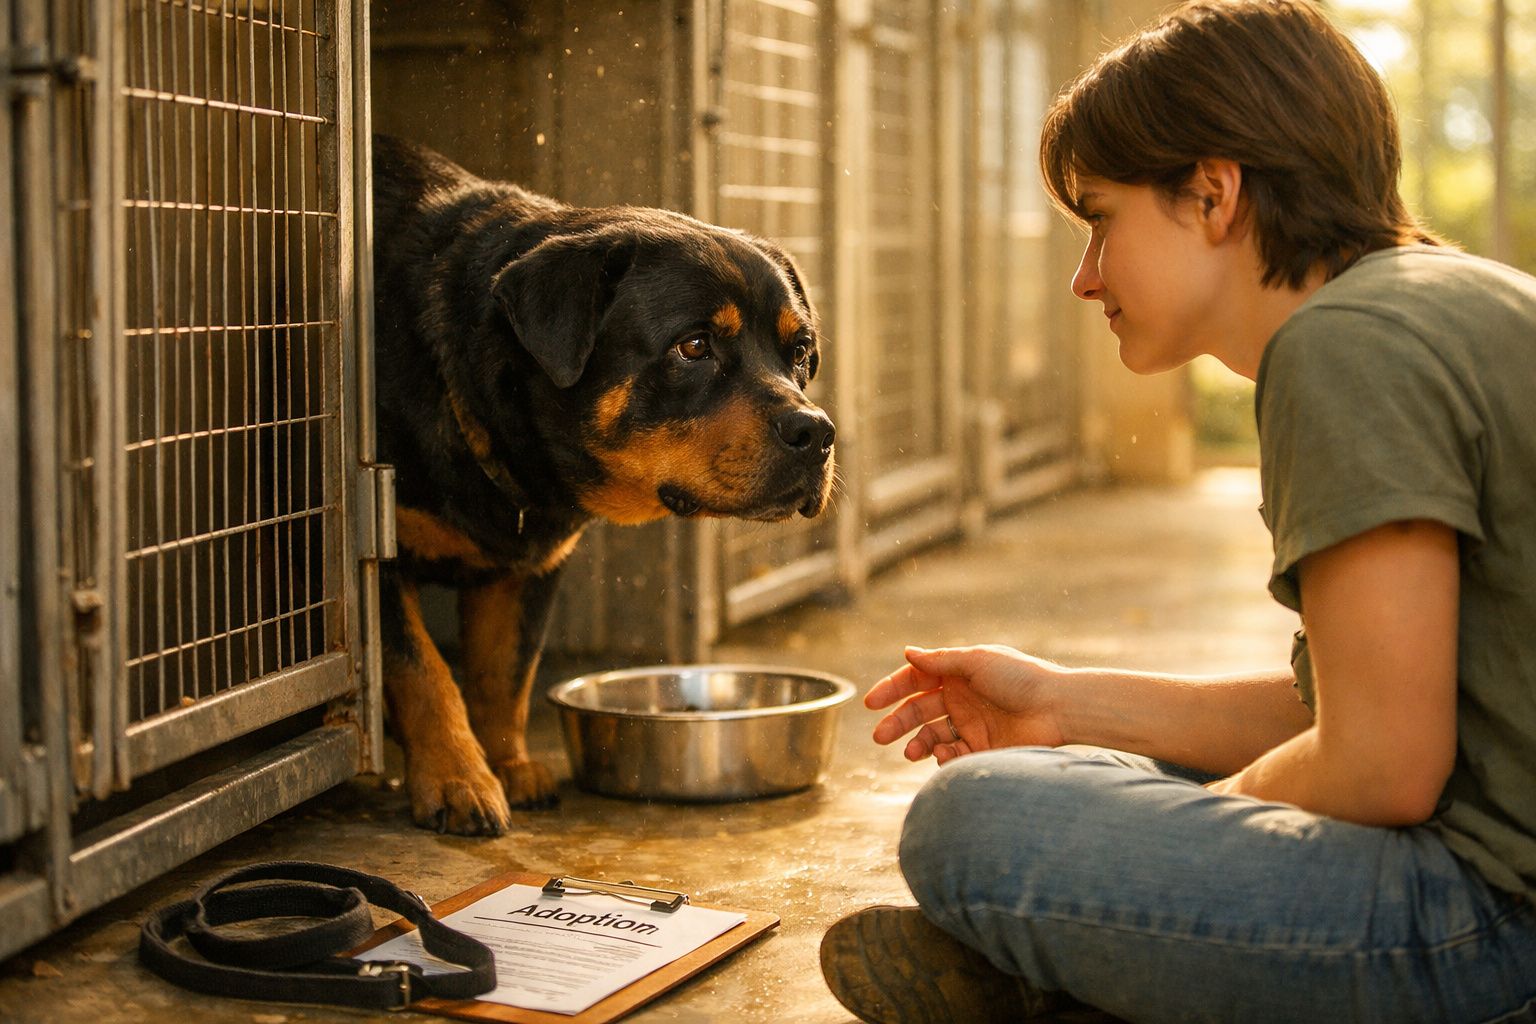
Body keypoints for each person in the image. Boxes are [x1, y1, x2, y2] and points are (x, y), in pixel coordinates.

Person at [817, 2, 1536, 1022]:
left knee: (974, 824)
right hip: (1498, 870)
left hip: (1497, 933)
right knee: (1088, 774)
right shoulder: (1440, 300)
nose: (1084, 277)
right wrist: (1063, 704)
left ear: (1212, 193)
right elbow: (1372, 706)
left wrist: (1185, 854)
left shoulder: (1344, 347)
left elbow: (1380, 766)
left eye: (1101, 219)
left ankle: (1089, 981)